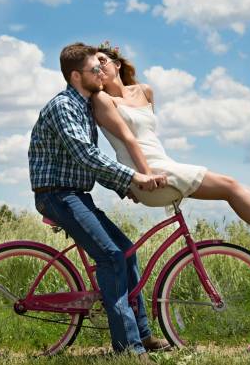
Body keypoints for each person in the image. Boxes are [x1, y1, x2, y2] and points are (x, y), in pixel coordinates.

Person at [92, 41, 250, 258]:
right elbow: (127, 141)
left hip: (162, 163)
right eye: (93, 66)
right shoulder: (103, 100)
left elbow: (149, 137)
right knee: (230, 187)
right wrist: (137, 180)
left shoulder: (144, 91)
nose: (98, 68)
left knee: (234, 187)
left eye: (102, 61)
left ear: (117, 64)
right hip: (147, 173)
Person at [28, 42, 170, 362]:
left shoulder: (84, 107)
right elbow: (86, 155)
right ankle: (129, 349)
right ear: (77, 75)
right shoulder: (64, 106)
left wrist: (125, 187)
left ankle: (142, 334)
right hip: (57, 195)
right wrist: (134, 178)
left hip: (76, 194)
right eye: (95, 69)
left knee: (127, 252)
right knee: (112, 258)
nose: (101, 74)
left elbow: (88, 163)